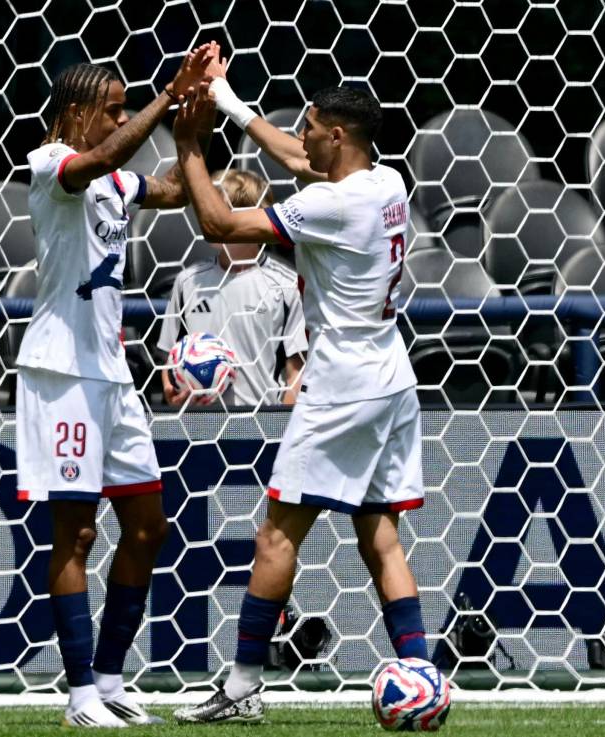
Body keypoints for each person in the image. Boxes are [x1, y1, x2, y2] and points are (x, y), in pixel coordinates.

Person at [171, 51, 429, 724]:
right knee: (381, 536)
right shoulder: (386, 182)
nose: (303, 134)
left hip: (340, 385)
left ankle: (243, 684)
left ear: (336, 135)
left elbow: (222, 227)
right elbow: (296, 158)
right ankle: (422, 672)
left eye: (311, 126)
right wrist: (227, 99)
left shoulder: (331, 205)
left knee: (275, 537)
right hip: (391, 377)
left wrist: (189, 146)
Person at [16, 47, 216, 728]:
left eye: (128, 106)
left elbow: (176, 191)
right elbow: (97, 162)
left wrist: (193, 127)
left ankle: (109, 678)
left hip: (113, 375)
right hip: (62, 372)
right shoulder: (51, 167)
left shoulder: (116, 183)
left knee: (149, 526)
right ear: (75, 114)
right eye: (113, 109)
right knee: (75, 537)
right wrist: (166, 96)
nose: (124, 117)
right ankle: (77, 696)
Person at [157, 169, 307, 408]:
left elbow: (296, 369)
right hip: (199, 420)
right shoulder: (188, 281)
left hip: (260, 421)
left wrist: (283, 422)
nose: (209, 217)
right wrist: (169, 390)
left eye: (219, 210)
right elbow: (169, 355)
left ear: (248, 219)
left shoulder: (285, 285)